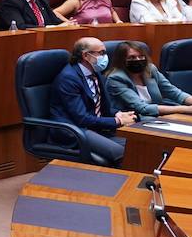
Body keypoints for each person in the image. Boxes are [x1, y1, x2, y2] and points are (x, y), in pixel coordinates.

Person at [50, 37, 135, 166]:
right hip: (75, 130)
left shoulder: (95, 73)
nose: (105, 57)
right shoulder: (69, 78)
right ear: (85, 55)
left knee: (137, 146)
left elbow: (99, 107)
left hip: (94, 127)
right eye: (101, 53)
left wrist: (118, 114)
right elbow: (82, 118)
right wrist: (117, 121)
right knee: (124, 153)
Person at [105, 41, 192, 120]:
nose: (138, 60)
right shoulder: (116, 78)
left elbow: (174, 93)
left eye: (141, 56)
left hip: (158, 115)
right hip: (134, 119)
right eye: (132, 57)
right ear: (121, 60)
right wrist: (185, 109)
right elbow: (142, 108)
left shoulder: (150, 69)